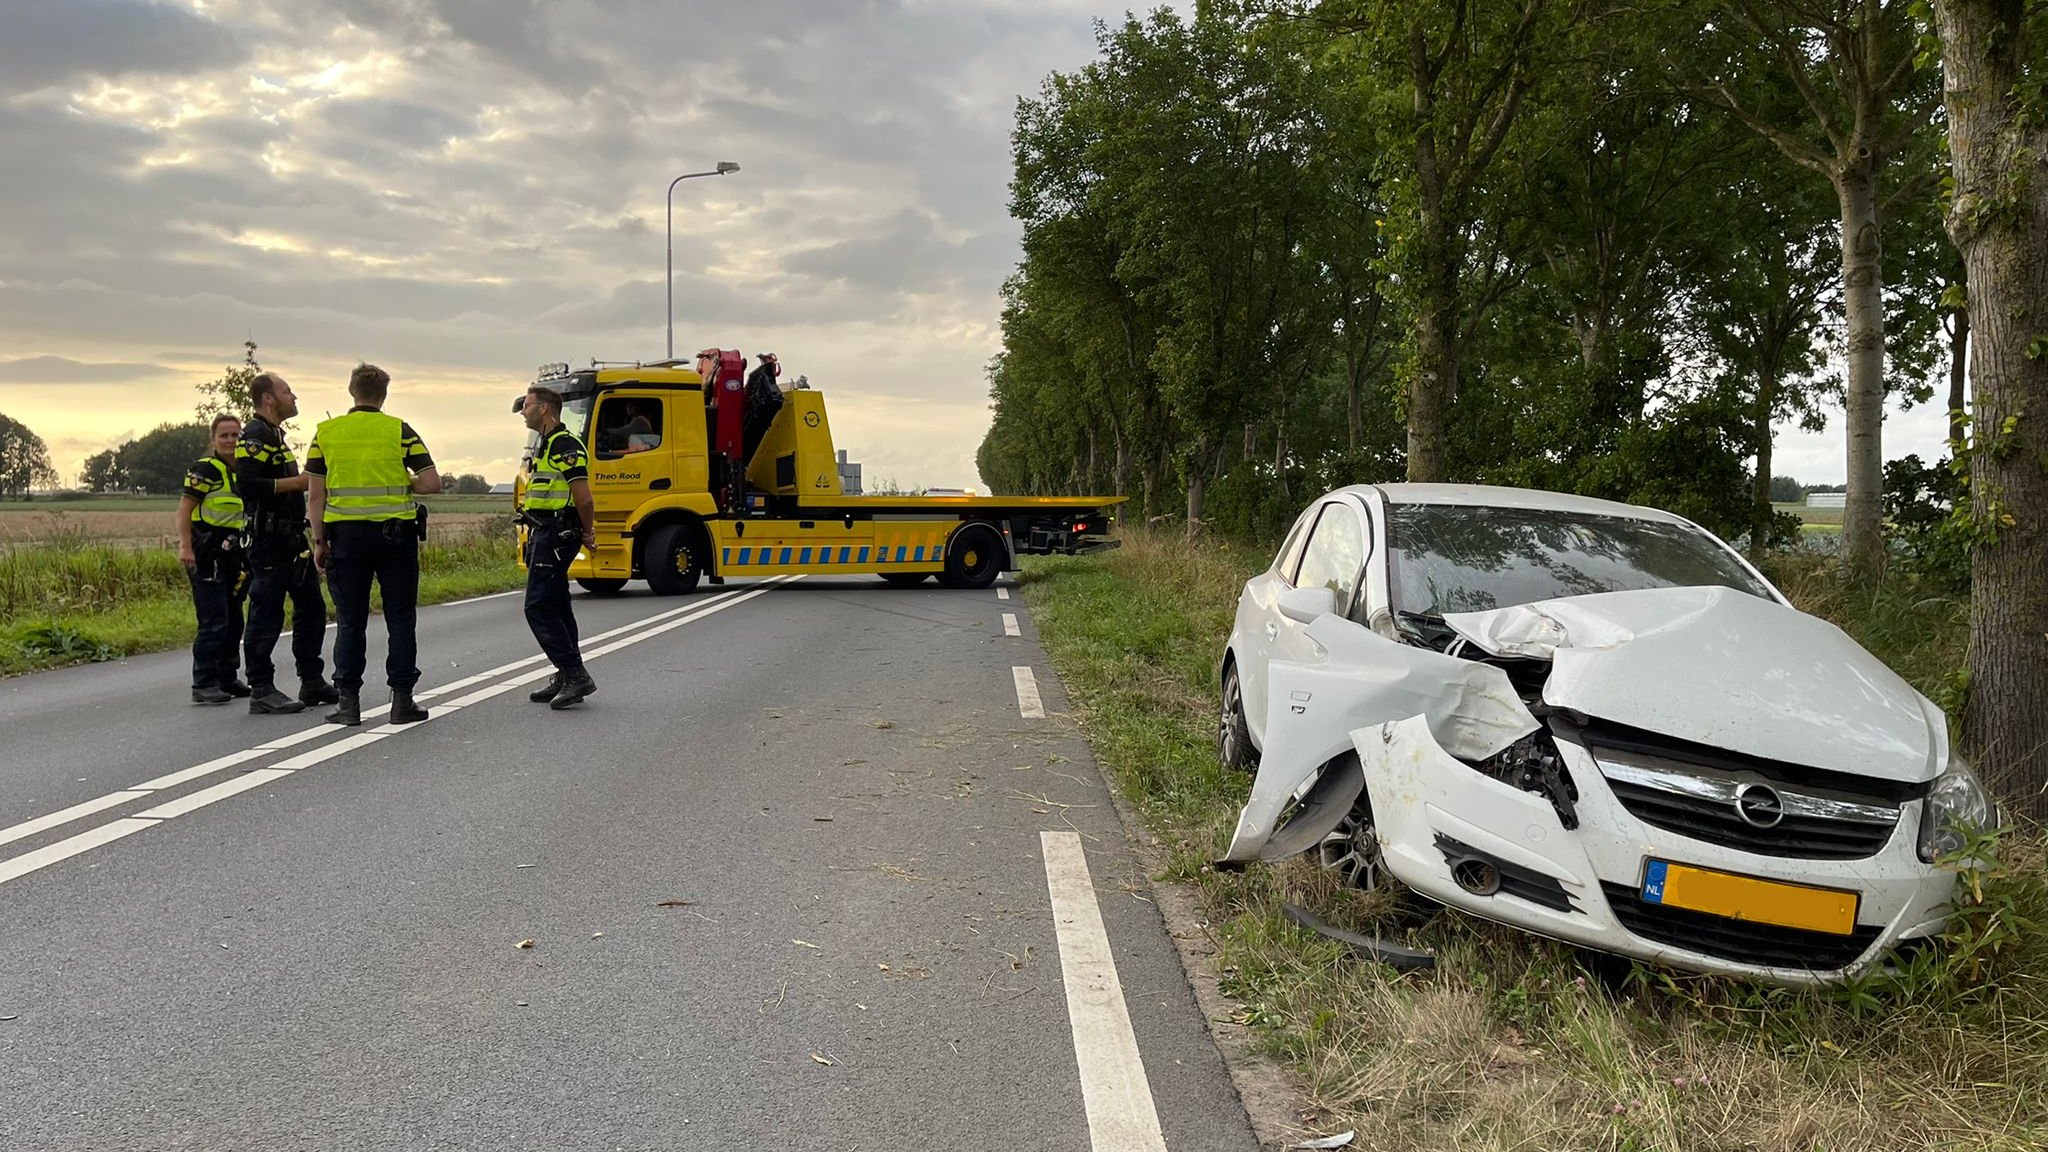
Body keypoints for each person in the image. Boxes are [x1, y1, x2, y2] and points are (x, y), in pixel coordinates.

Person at [307, 363, 442, 726]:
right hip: (395, 536)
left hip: (344, 538)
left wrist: (319, 541)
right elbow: (432, 483)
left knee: (350, 621)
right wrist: (401, 482)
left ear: (351, 391)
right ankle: (402, 701)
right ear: (383, 394)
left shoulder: (326, 433)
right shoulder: (399, 430)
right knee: (400, 618)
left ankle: (348, 704)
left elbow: (315, 495)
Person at [236, 371, 338, 715]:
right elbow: (248, 485)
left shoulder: (275, 436)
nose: (293, 397)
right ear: (268, 398)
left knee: (311, 607)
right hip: (268, 540)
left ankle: (311, 680)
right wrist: (299, 483)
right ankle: (261, 688)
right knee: (266, 612)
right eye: (287, 391)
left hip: (292, 538)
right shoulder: (254, 434)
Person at [518, 385, 598, 709]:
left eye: (527, 405)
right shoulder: (546, 443)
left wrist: (588, 533)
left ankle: (575, 674)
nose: (523, 411)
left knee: (537, 606)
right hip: (544, 533)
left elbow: (584, 497)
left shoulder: (565, 444)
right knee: (558, 604)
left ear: (545, 410)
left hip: (557, 534)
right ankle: (566, 674)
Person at [177, 415, 250, 704]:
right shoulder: (205, 470)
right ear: (213, 440)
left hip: (235, 554)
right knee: (213, 620)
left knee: (234, 619)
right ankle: (204, 683)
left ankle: (227, 677)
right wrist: (186, 547)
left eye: (235, 435)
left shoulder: (244, 471)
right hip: (207, 553)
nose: (231, 441)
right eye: (225, 436)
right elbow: (184, 510)